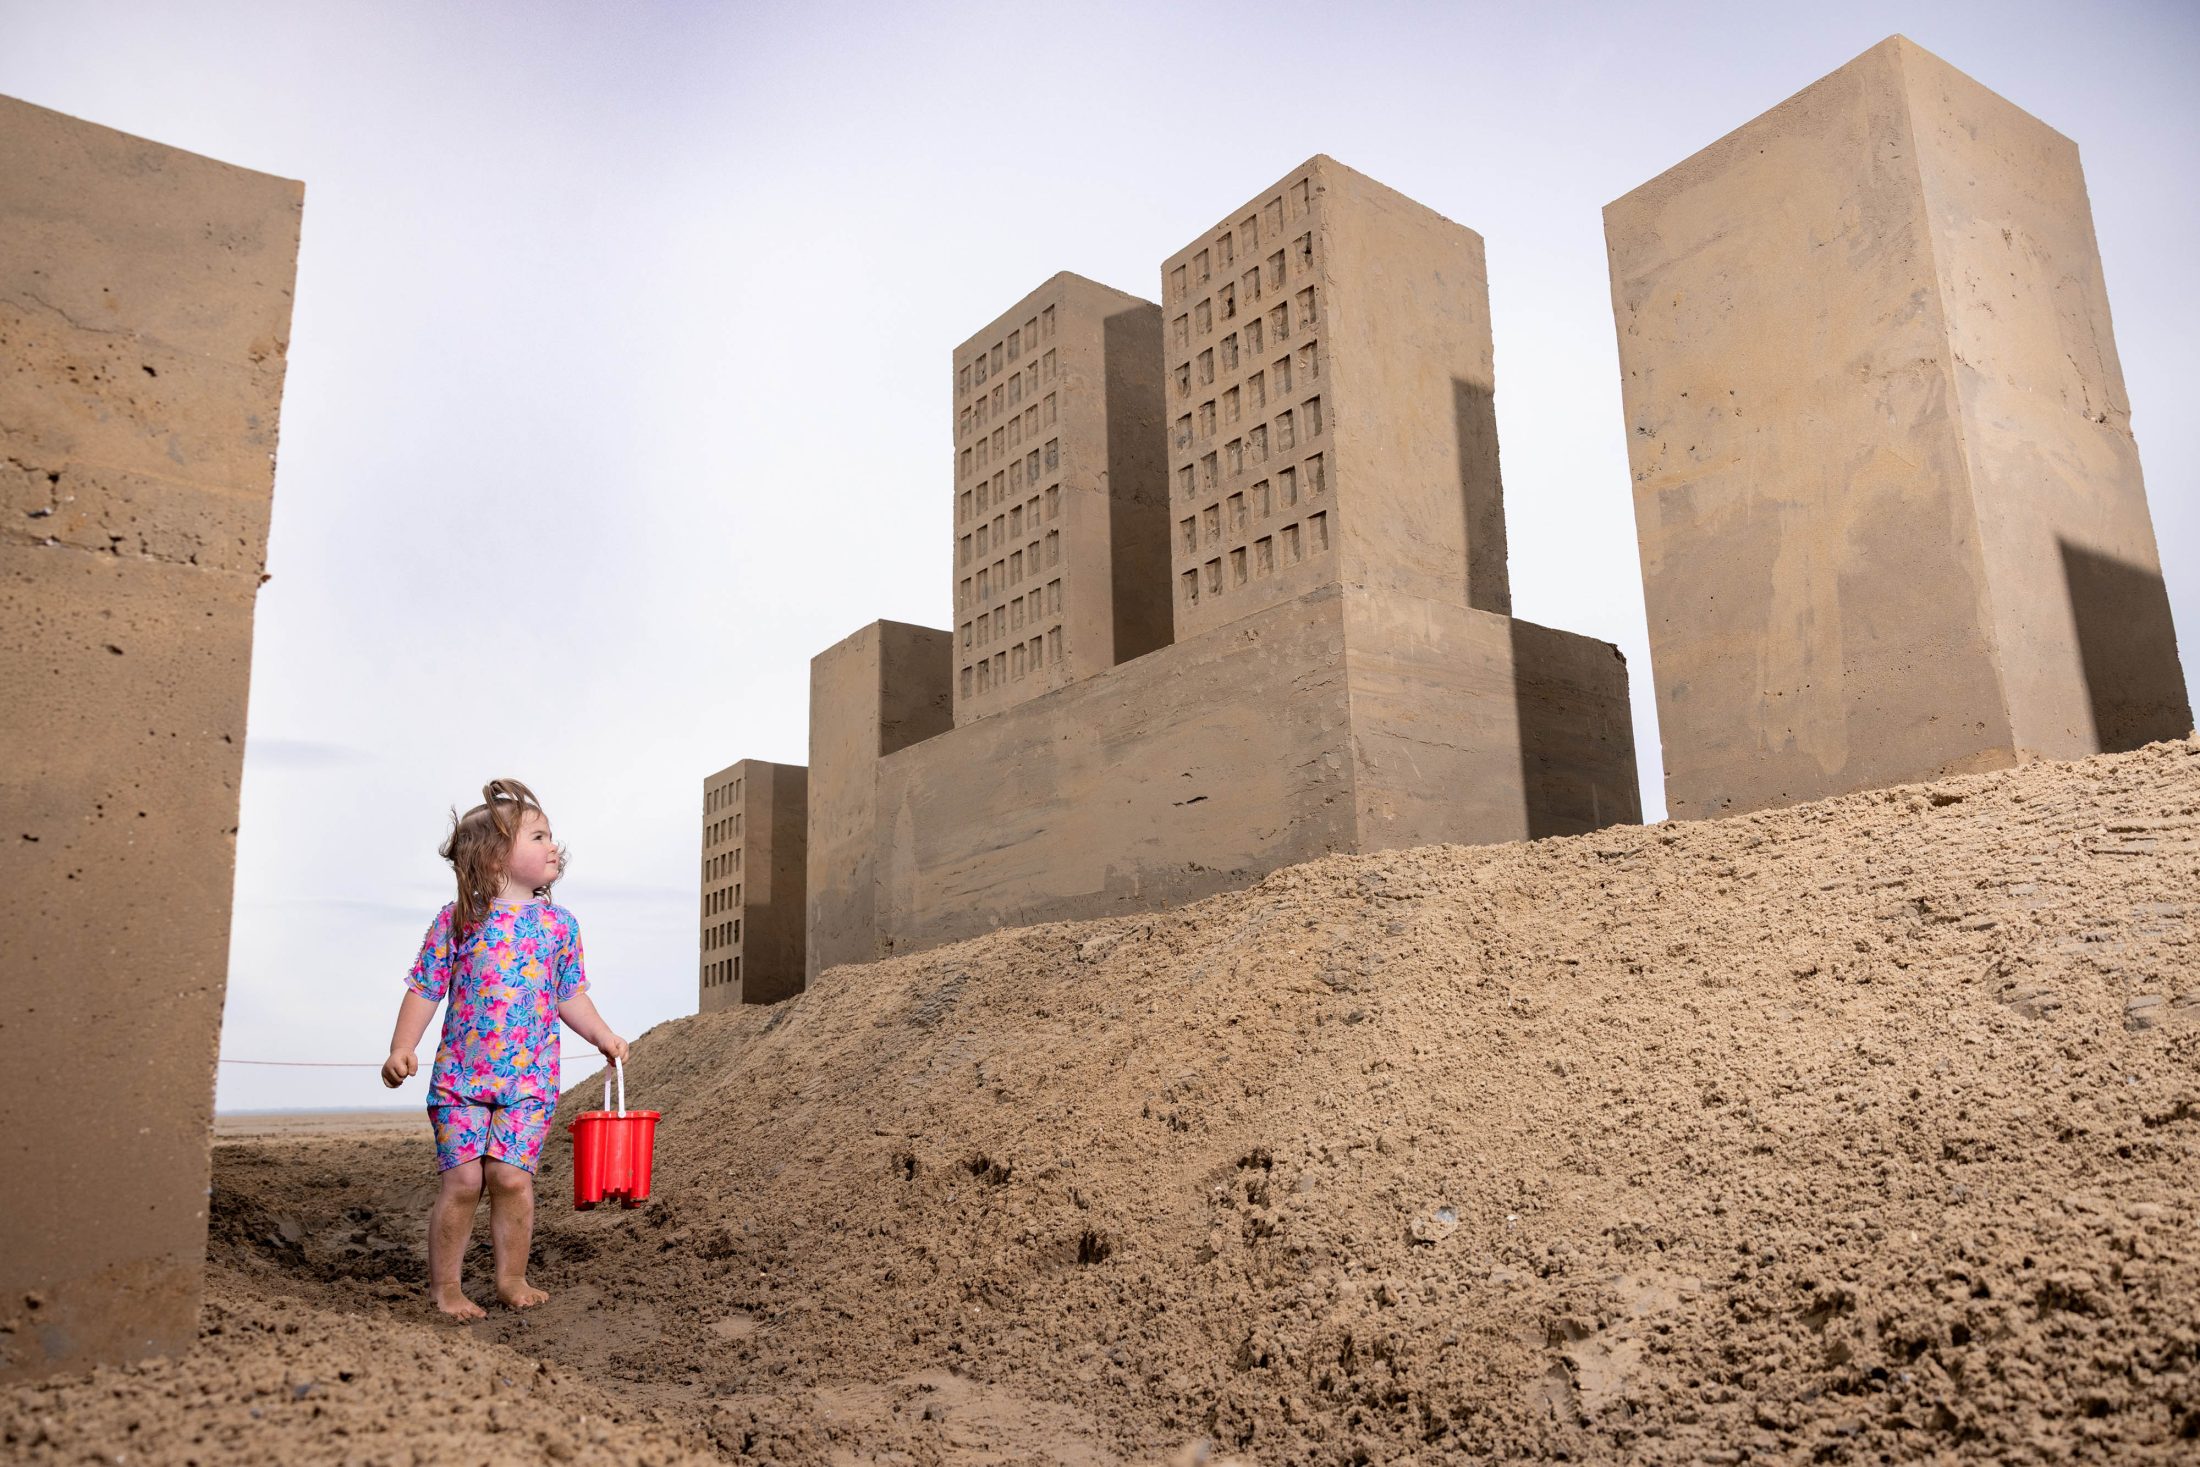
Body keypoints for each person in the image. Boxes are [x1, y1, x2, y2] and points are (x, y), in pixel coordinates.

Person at [379, 778, 629, 1319]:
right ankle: (446, 1287)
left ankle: (511, 1278)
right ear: (495, 857)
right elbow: (424, 987)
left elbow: (570, 994)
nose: (553, 846)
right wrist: (402, 1047)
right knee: (465, 1181)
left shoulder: (558, 925)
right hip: (460, 1081)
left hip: (529, 1082)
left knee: (511, 1178)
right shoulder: (457, 921)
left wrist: (603, 1035)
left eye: (550, 836)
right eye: (538, 837)